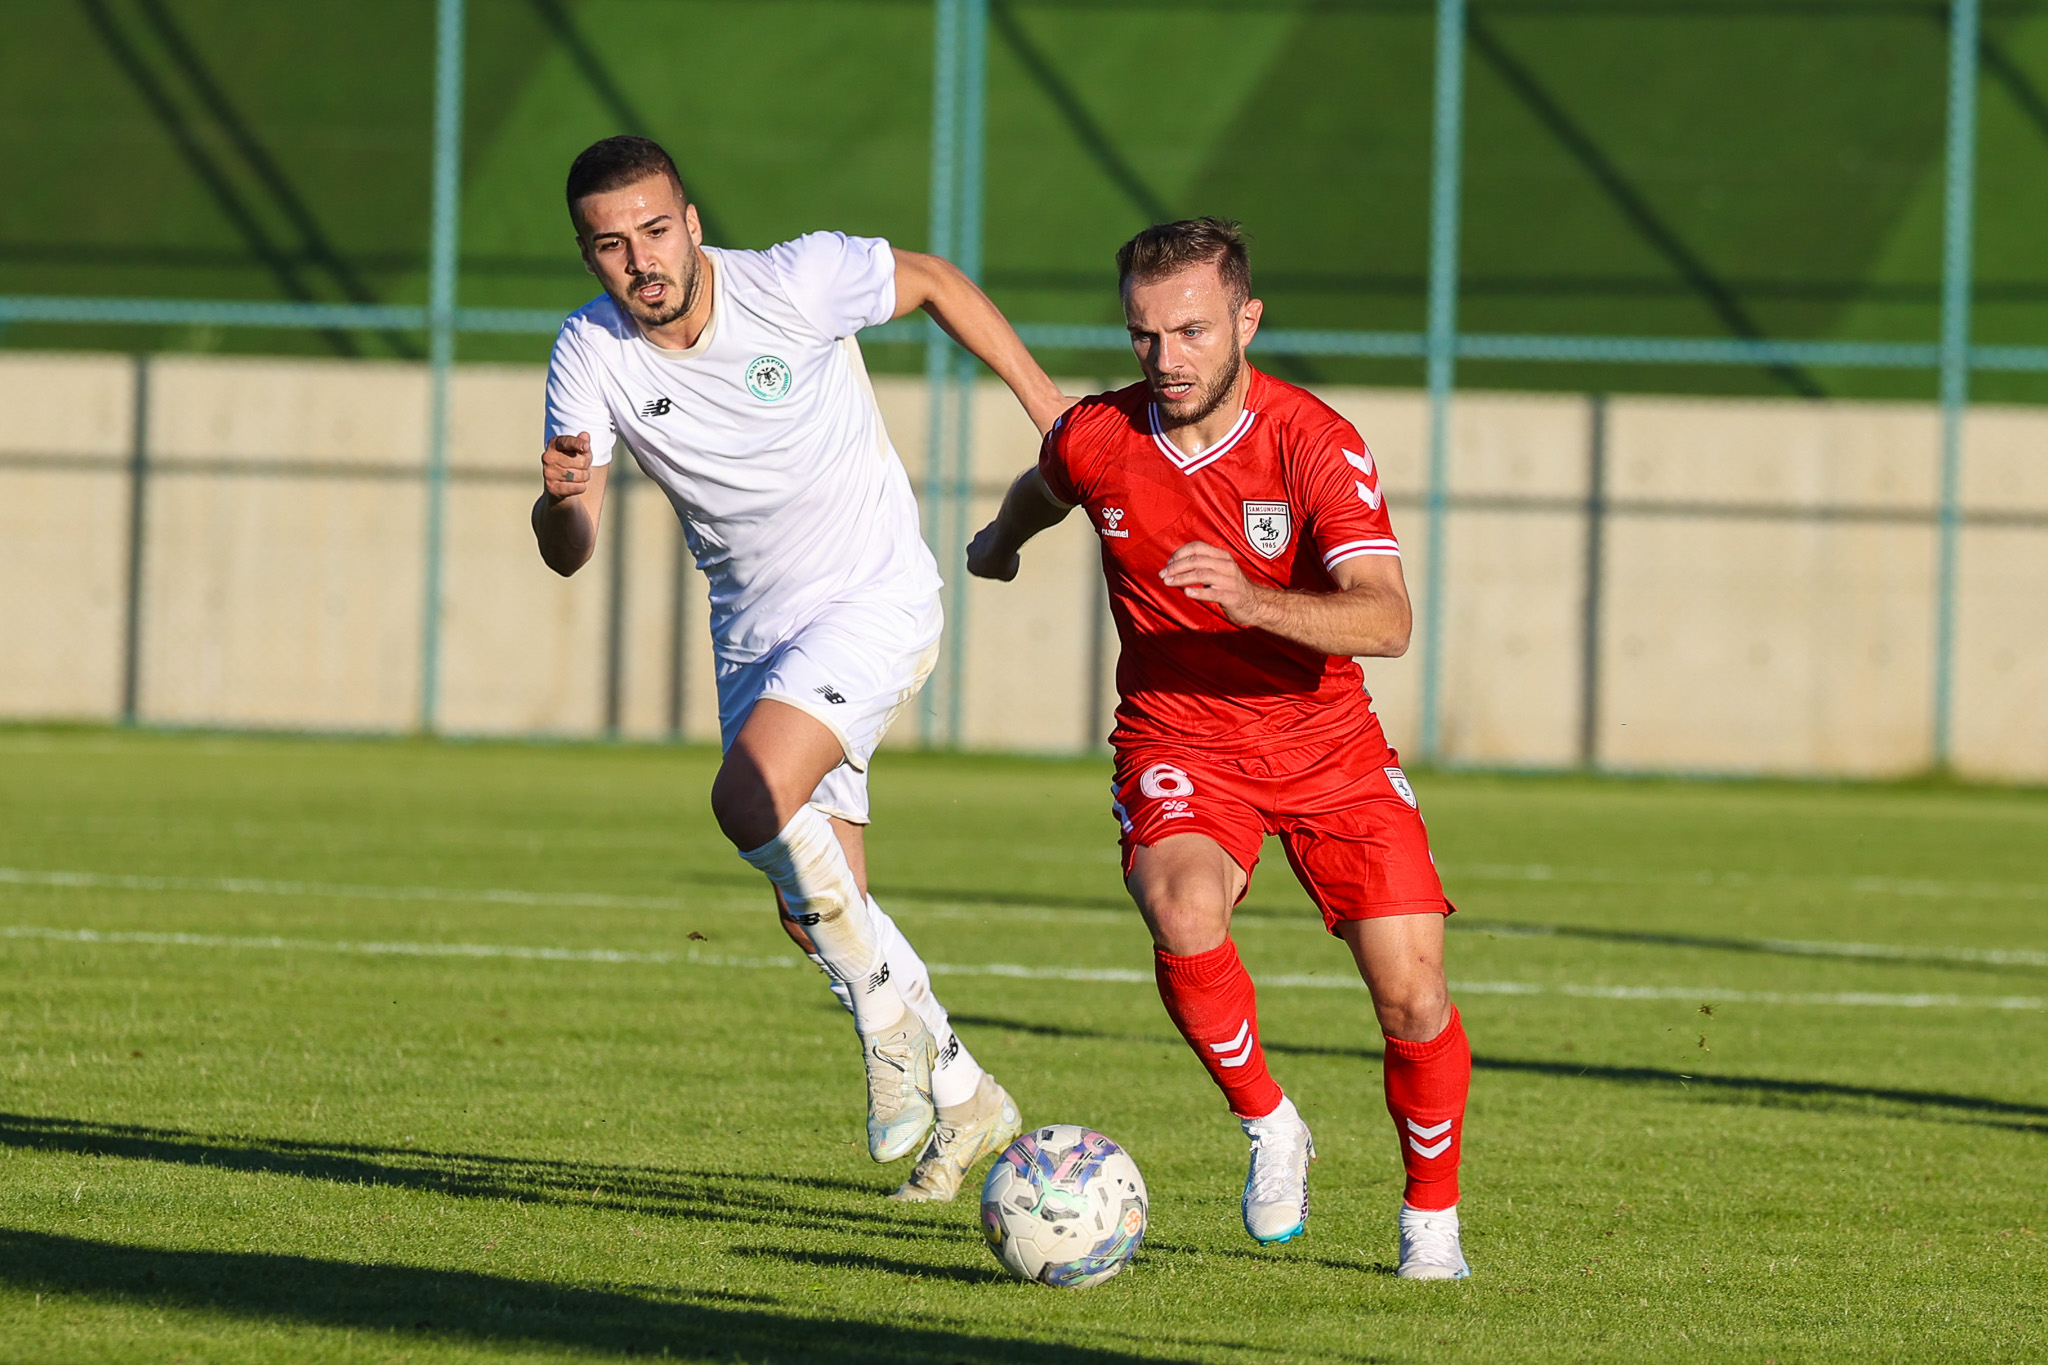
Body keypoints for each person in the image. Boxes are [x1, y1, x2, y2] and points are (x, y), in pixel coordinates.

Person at [533, 135, 1068, 1201]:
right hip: (754, 639)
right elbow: (570, 548)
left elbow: (933, 283)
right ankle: (965, 1098)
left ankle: (884, 1027)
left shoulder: (792, 279)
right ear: (589, 258)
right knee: (814, 903)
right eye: (609, 246)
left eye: (652, 230)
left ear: (688, 220)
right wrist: (558, 503)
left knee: (748, 794)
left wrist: (1051, 413)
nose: (639, 261)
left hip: (874, 598)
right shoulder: (588, 352)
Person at [965, 218, 1473, 1279]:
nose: (1166, 360)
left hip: (1326, 740)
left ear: (1244, 319)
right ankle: (1268, 1123)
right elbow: (1043, 485)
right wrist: (1000, 542)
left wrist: (1254, 600)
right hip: (1178, 735)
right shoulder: (1100, 435)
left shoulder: (1312, 441)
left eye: (1191, 332)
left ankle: (1429, 1218)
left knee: (1411, 995)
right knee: (1182, 908)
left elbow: (1384, 620)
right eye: (1144, 336)